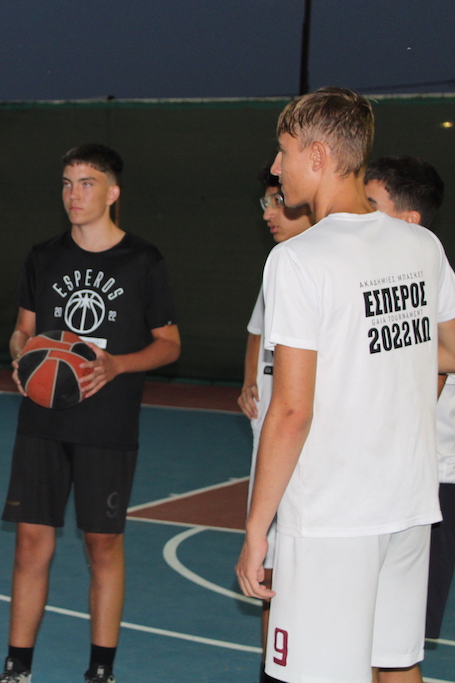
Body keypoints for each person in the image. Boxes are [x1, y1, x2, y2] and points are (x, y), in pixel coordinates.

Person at [236, 88, 455, 683]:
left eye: (283, 152)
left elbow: (291, 411)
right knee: (396, 664)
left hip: (333, 514)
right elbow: (447, 351)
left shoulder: (298, 260)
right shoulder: (422, 245)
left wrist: (257, 529)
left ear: (318, 155)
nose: (276, 167)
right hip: (409, 505)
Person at [0, 143, 180, 683]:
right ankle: (17, 667)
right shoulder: (43, 256)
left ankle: (101, 668)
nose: (73, 194)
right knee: (31, 544)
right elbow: (22, 330)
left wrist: (118, 365)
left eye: (87, 183)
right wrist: (22, 357)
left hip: (108, 424)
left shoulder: (142, 260)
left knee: (103, 544)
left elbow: (169, 344)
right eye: (67, 183)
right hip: (42, 421)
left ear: (112, 193)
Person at [364, 155, 452, 643]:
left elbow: (445, 360)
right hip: (390, 477)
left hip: (431, 479)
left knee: (398, 641)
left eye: (371, 205)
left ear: (410, 221)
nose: (361, 214)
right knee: (378, 638)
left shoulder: (431, 272)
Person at [237, 164, 313, 682]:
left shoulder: (313, 266)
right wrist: (250, 380)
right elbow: (256, 330)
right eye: (264, 202)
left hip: (303, 457)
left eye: (277, 201)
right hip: (270, 447)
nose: (269, 212)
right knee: (271, 579)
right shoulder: (279, 267)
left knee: (301, 583)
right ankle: (271, 671)